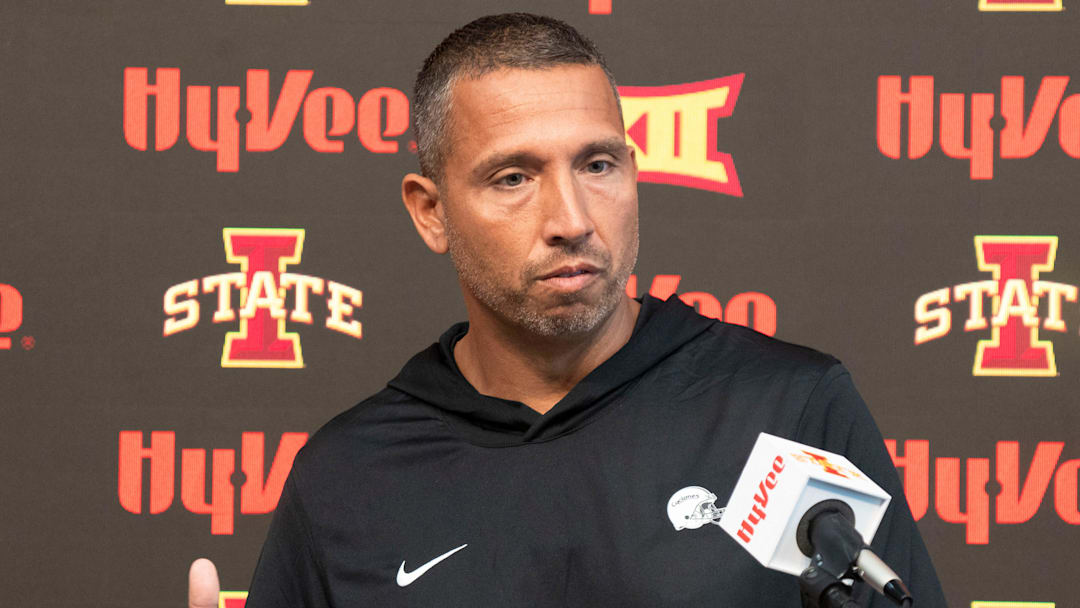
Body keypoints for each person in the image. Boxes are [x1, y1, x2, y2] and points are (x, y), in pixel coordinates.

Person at [189, 13, 947, 607]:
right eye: (514, 177)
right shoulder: (347, 477)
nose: (573, 217)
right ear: (430, 211)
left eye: (597, 164)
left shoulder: (789, 408)